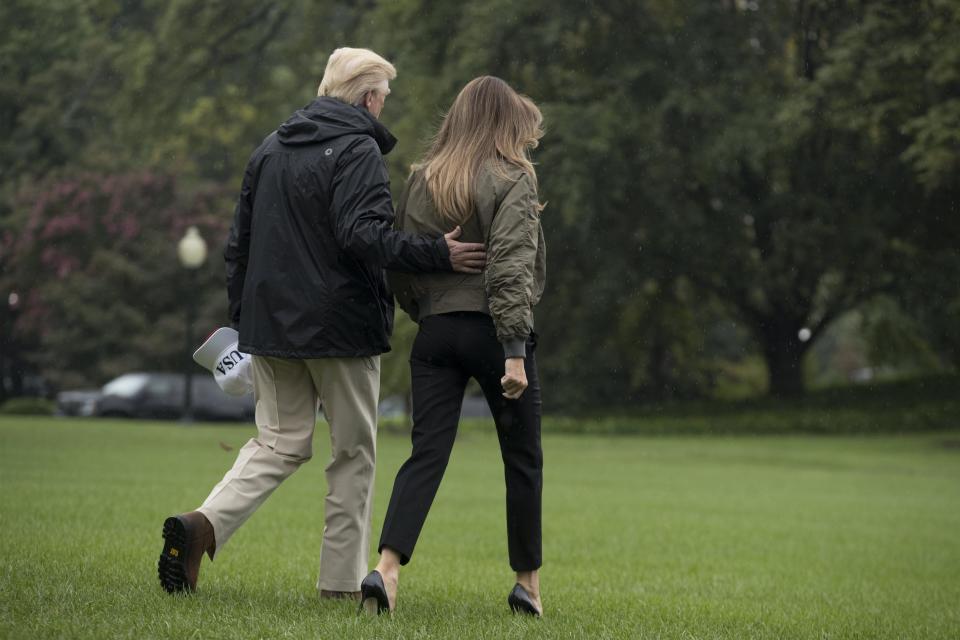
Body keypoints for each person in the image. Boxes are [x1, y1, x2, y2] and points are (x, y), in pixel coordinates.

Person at [157, 47, 486, 600]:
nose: (383, 108)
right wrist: (439, 254)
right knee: (353, 452)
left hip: (271, 328)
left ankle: (204, 523)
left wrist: (246, 324)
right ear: (369, 97)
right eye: (383, 97)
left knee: (277, 442)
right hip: (341, 328)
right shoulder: (357, 149)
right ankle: (339, 584)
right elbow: (366, 235)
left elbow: (238, 246)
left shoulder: (269, 148)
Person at [358, 76, 547, 617]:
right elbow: (510, 264)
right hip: (495, 333)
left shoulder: (423, 179)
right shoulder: (513, 177)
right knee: (522, 457)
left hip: (436, 335)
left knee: (427, 453)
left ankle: (386, 570)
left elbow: (400, 262)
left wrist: (430, 312)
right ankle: (526, 585)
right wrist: (513, 349)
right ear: (505, 121)